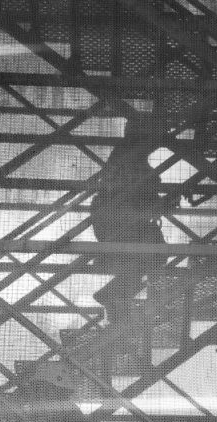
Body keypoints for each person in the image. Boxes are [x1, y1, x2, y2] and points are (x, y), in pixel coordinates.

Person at [88, 112, 166, 326]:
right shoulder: (129, 155)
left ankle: (114, 301)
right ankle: (113, 300)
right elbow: (139, 187)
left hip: (117, 221)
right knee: (152, 257)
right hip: (119, 222)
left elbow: (141, 185)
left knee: (148, 259)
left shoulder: (126, 154)